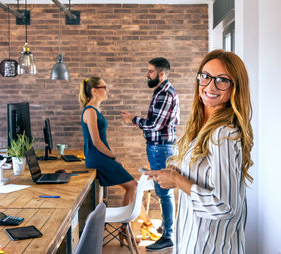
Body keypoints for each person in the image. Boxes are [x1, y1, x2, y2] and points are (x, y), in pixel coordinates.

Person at [145, 50, 254, 253]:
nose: (210, 86)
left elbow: (224, 206)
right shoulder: (204, 127)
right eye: (205, 77)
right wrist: (177, 171)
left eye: (222, 80)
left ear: (235, 86)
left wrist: (178, 181)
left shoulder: (223, 134)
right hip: (193, 241)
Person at [78, 77, 160, 242]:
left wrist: (112, 158)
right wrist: (113, 157)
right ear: (94, 90)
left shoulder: (95, 110)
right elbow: (96, 141)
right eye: (104, 87)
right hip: (97, 158)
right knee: (133, 186)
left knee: (132, 187)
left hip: (101, 157)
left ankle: (132, 227)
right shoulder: (90, 111)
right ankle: (137, 226)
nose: (107, 90)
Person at [121, 57, 180, 251]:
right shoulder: (161, 91)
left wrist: (133, 119)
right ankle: (166, 227)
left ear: (161, 74)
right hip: (159, 147)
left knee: (164, 192)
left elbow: (155, 125)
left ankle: (168, 236)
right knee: (163, 191)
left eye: (151, 71)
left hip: (160, 148)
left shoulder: (165, 93)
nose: (147, 74)